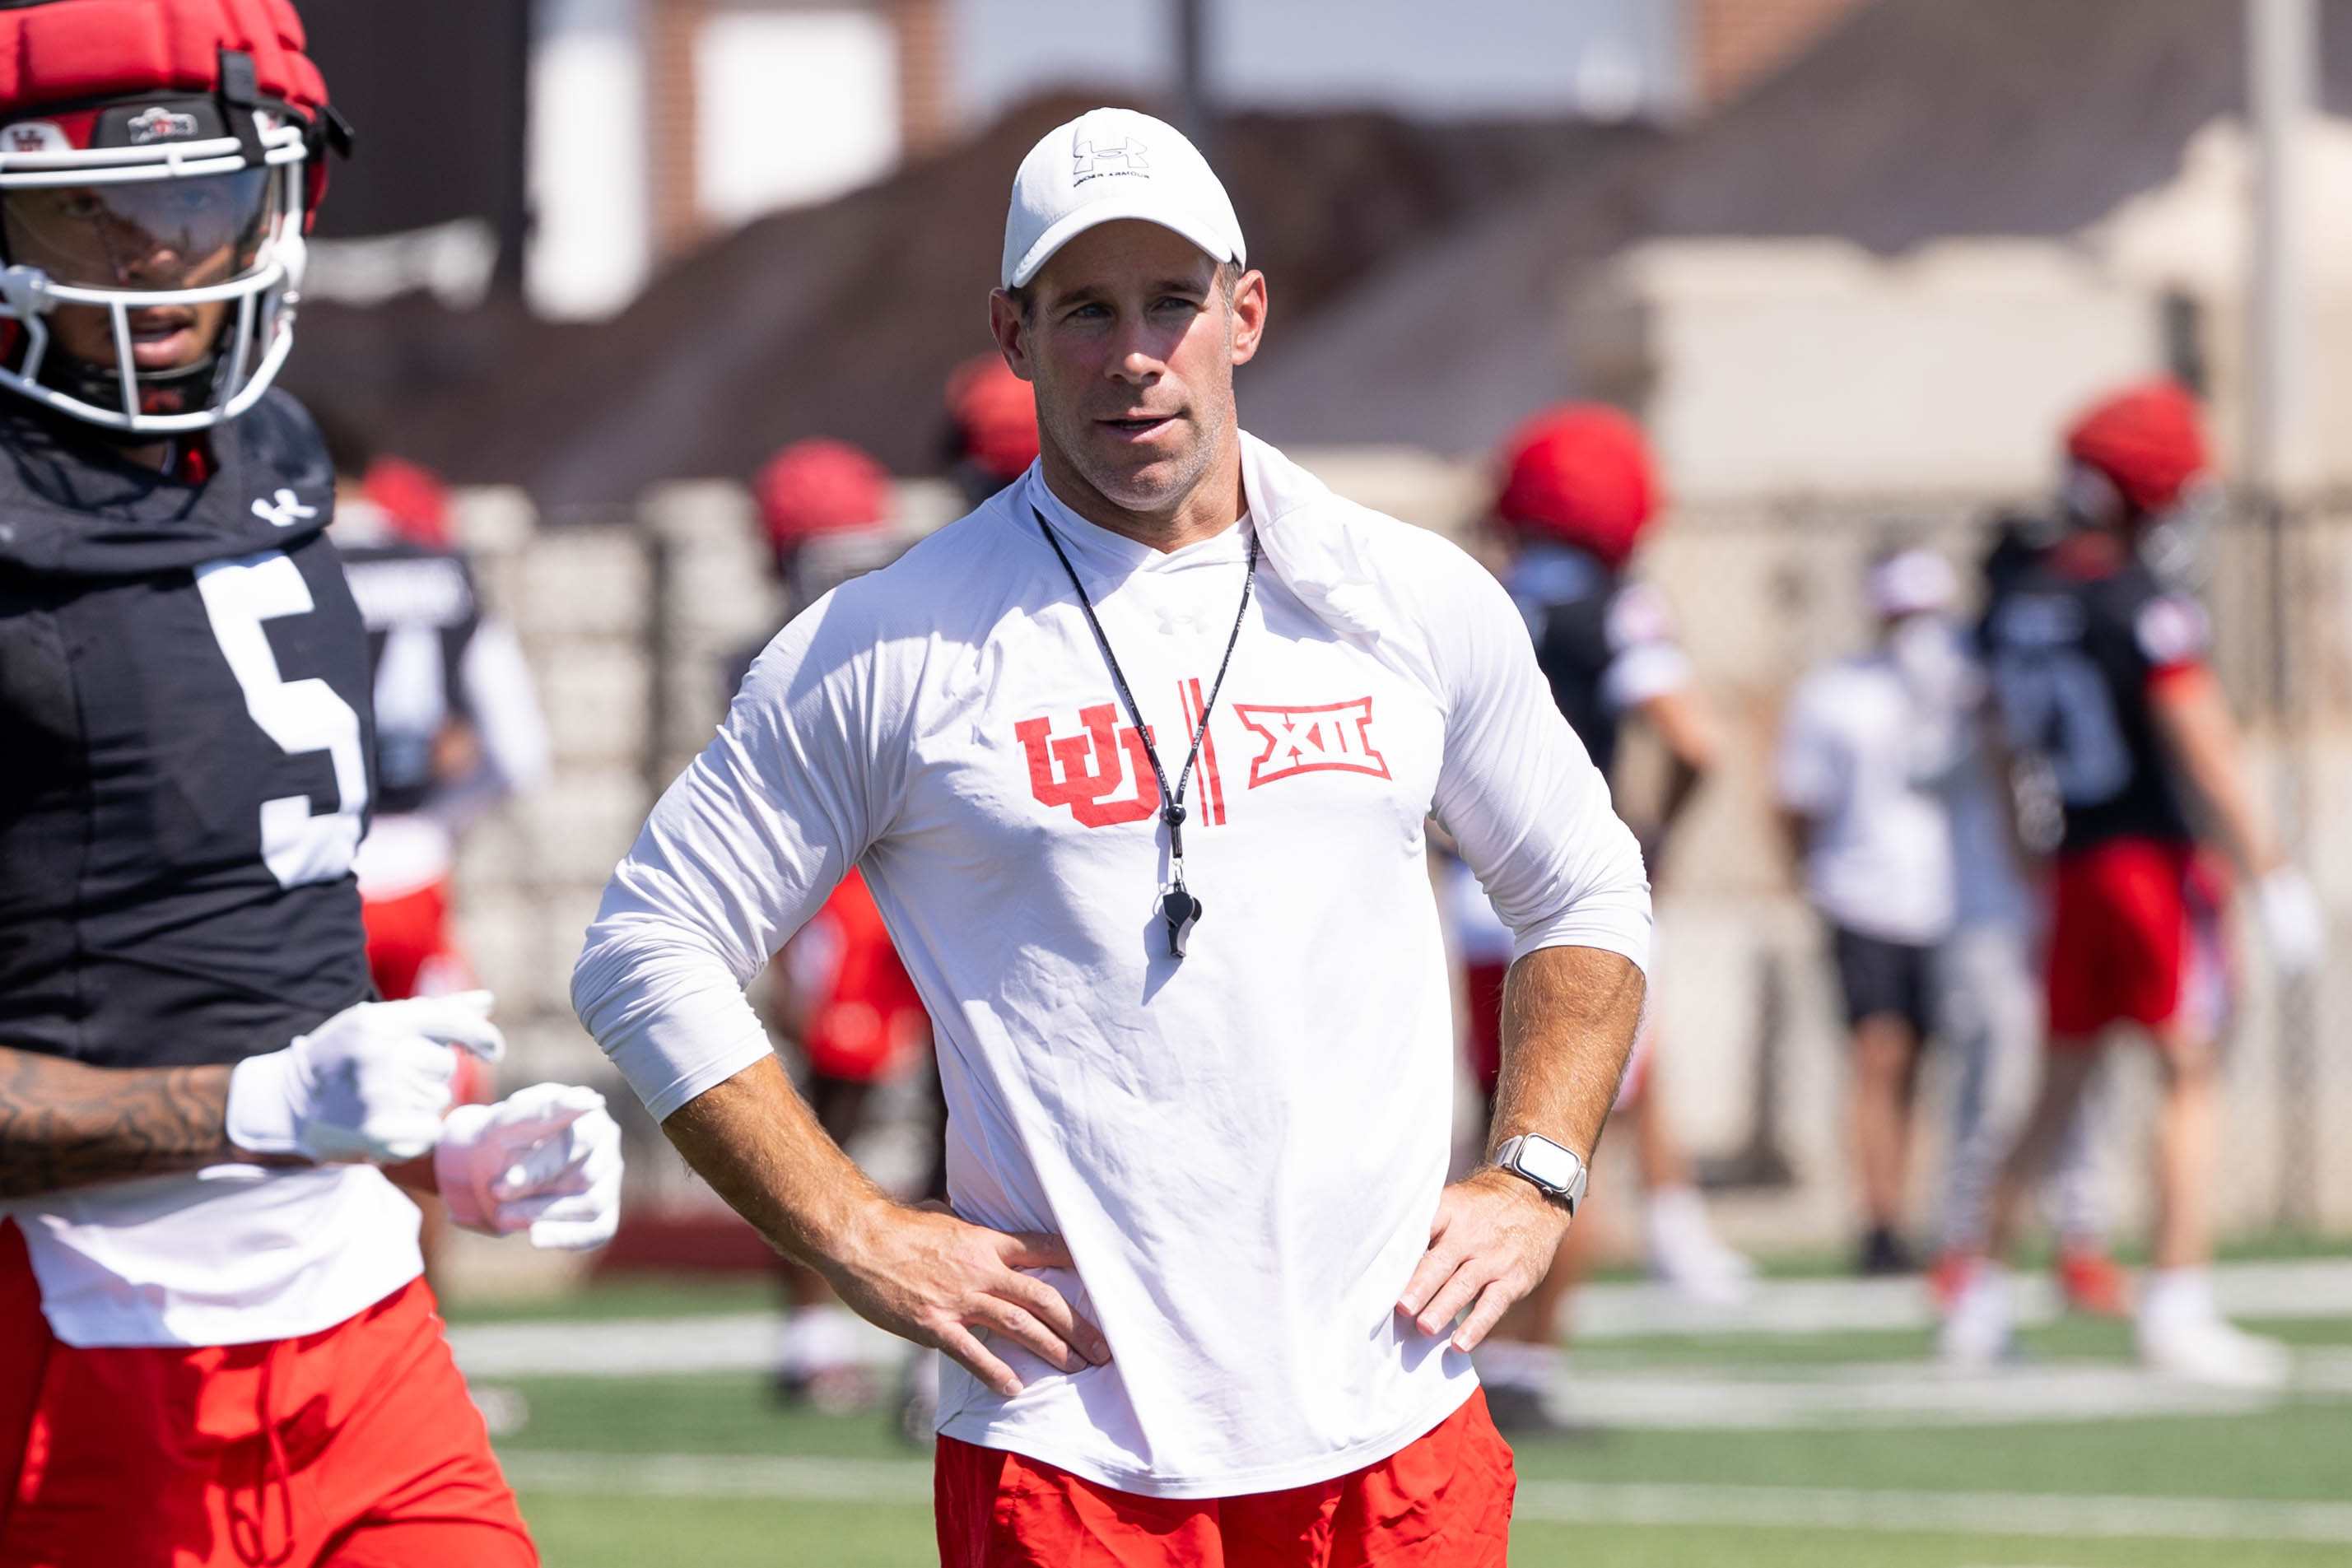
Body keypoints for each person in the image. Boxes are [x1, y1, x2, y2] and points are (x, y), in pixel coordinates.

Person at [574, 106, 1651, 1563]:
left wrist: (1532, 1174)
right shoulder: (893, 641)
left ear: (1245, 314)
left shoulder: (1409, 594)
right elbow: (647, 945)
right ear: (1014, 337)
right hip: (1069, 1452)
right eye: (1085, 309)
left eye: (1171, 302)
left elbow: (1583, 885)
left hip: (1391, 1422)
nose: (1133, 353)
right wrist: (855, 1230)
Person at [0, 7, 622, 1560]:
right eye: (91, 211)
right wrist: (257, 1107)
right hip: (70, 1360)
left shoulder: (266, 469)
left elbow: (248, 940)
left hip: (361, 1332)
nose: (157, 260)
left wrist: (435, 1152)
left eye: (199, 207)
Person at [1940, 380, 2324, 1384]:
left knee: (2060, 1083)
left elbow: (1992, 743)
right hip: (2149, 864)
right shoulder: (2140, 602)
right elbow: (2203, 741)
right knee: (2188, 1072)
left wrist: (2028, 863)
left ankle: (1974, 1292)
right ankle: (2179, 1300)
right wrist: (2272, 872)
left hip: (2070, 860)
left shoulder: (2020, 597)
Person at [1455, 403, 1751, 1433]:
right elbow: (1697, 741)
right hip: (1557, 909)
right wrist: (1649, 842)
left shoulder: (1477, 595)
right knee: (1556, 1145)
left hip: (1465, 908)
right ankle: (1525, 1367)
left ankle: (1470, 1347)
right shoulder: (1615, 610)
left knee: (1479, 1134)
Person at [736, 438, 943, 1432]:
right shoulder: (939, 589)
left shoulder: (778, 644)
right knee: (924, 1110)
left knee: (833, 1115)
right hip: (913, 878)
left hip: (854, 889)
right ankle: (864, 1348)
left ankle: (833, 1341)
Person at [1775, 547, 1972, 1276]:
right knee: (1877, 1053)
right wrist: (1809, 876)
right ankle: (1879, 1219)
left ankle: (1922, 1211)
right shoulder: (1835, 693)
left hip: (1949, 898)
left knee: (1926, 1062)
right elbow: (1796, 798)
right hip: (1860, 893)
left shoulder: (1967, 688)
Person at [335, 454, 551, 1006]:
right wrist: (436, 822)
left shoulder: (290, 572)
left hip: (312, 875)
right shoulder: (444, 571)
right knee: (430, 1072)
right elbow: (520, 752)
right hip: (416, 868)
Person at [943, 351, 1041, 509]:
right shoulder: (1046, 379)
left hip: (993, 474)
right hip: (1036, 472)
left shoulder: (980, 376)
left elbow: (952, 439)